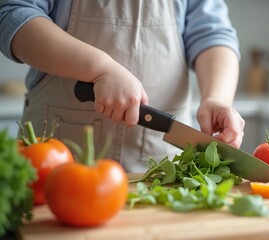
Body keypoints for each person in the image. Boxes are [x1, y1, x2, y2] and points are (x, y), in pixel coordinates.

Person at [0, 0, 244, 172]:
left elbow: (214, 35)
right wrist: (99, 67)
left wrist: (217, 98)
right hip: (56, 167)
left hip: (160, 171)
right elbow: (13, 16)